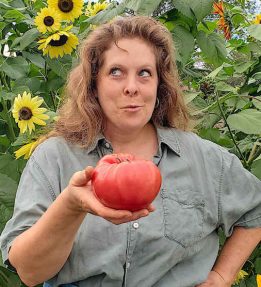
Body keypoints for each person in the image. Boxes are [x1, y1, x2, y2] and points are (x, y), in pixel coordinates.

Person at [0, 16, 261, 287]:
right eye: (116, 72)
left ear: (160, 84)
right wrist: (70, 206)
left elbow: (255, 208)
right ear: (93, 85)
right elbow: (29, 272)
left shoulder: (203, 159)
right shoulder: (55, 157)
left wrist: (222, 275)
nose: (132, 87)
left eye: (144, 73)